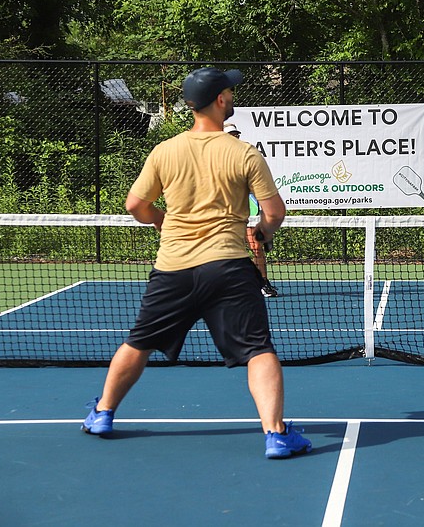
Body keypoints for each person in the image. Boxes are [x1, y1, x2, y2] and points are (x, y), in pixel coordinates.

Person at [82, 66, 312, 459]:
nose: (233, 97)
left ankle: (102, 414)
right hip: (228, 267)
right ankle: (275, 434)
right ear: (220, 100)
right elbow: (273, 213)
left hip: (173, 268)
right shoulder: (243, 152)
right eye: (230, 93)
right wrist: (263, 233)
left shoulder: (164, 151)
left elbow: (135, 205)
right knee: (258, 350)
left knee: (139, 342)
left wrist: (162, 221)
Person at [223, 119, 279, 298]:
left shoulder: (247, 156)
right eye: (231, 135)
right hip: (228, 213)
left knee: (257, 249)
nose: (235, 138)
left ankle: (263, 283)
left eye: (236, 135)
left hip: (250, 211)